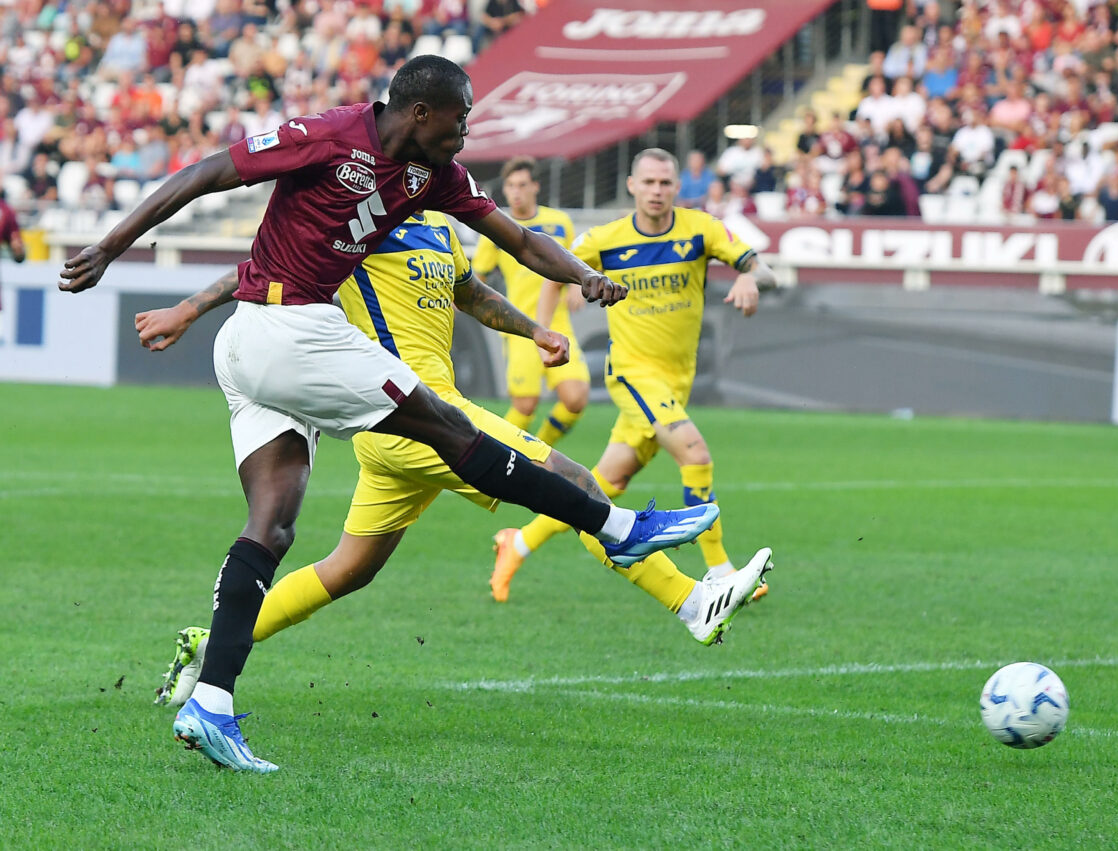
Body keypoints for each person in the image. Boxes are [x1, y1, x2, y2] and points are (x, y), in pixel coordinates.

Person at [58, 56, 720, 773]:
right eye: (460, 121)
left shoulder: (436, 179)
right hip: (290, 330)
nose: (466, 136)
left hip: (258, 347)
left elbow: (520, 242)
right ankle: (617, 527)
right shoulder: (329, 136)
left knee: (273, 522)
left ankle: (211, 700)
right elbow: (206, 174)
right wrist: (111, 246)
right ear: (422, 112)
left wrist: (584, 276)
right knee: (451, 427)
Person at [144, 213, 771, 709]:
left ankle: (212, 643)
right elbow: (256, 272)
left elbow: (470, 294)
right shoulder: (352, 229)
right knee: (576, 485)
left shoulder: (440, 227)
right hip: (406, 415)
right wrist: (189, 310)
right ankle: (692, 603)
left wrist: (534, 331)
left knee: (350, 568)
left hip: (421, 421)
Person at [490, 148, 776, 606]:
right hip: (632, 373)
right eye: (648, 183)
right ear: (631, 186)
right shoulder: (607, 237)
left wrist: (750, 277)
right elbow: (552, 272)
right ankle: (720, 571)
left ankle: (517, 544)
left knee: (601, 489)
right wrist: (546, 332)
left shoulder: (700, 229)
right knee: (695, 453)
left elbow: (764, 268)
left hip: (675, 380)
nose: (657, 191)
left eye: (665, 183)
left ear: (677, 186)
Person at [472, 157, 590, 449]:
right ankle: (497, 457)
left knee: (575, 398)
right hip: (520, 326)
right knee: (525, 405)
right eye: (511, 186)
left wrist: (578, 286)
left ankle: (542, 450)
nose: (516, 192)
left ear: (535, 186)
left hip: (558, 323)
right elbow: (479, 277)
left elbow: (576, 263)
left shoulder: (559, 223)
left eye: (522, 185)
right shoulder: (497, 226)